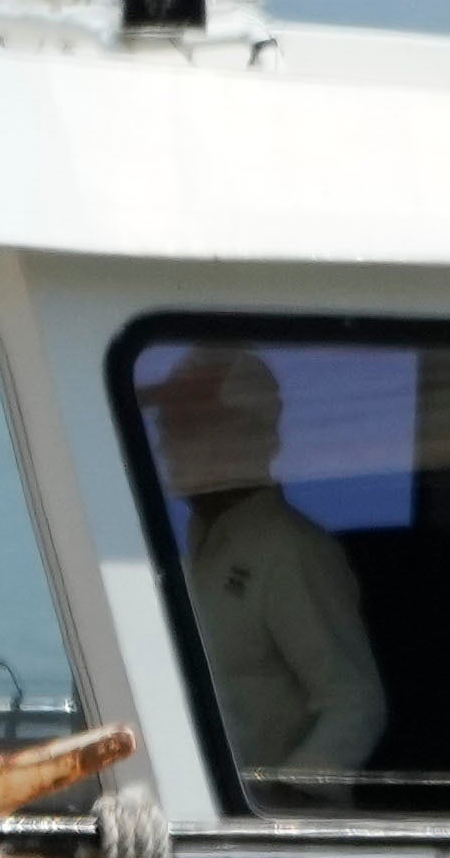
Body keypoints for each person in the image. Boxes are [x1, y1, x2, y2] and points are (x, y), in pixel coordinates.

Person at [143, 341, 391, 796]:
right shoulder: (193, 553)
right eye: (168, 424)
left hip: (269, 849)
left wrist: (283, 801)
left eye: (187, 426)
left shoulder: (292, 552)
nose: (165, 440)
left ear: (248, 437)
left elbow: (355, 703)